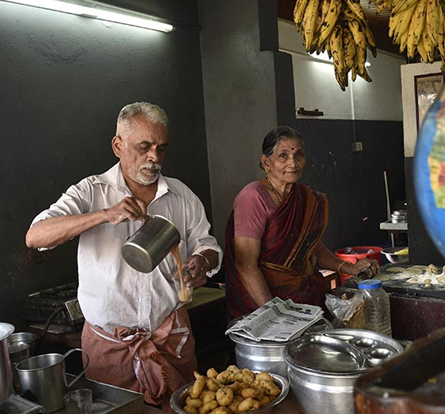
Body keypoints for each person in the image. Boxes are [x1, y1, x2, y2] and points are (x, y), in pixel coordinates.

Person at [25, 102, 222, 408]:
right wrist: (104, 215)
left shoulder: (181, 196)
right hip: (109, 349)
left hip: (170, 338)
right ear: (118, 145)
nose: (154, 157)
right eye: (144, 147)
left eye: (161, 148)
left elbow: (206, 244)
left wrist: (202, 262)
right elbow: (35, 236)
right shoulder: (91, 192)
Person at [223, 126, 379, 320]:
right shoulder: (253, 197)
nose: (293, 163)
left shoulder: (304, 197)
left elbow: (310, 246)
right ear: (266, 163)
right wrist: (276, 314)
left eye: (299, 155)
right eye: (283, 156)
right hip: (263, 306)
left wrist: (347, 267)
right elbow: (246, 265)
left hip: (302, 299)